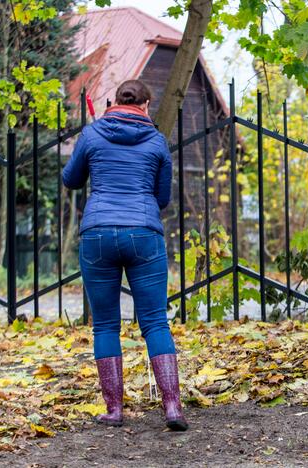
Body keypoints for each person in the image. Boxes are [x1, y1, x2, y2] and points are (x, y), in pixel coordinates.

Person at [62, 80, 187, 430]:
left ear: (114, 102)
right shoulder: (157, 142)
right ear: (146, 105)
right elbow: (162, 198)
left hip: (98, 233)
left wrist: (90, 159)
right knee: (155, 321)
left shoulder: (92, 135)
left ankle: (114, 409)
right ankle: (173, 407)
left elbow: (70, 180)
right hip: (143, 232)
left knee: (105, 324)